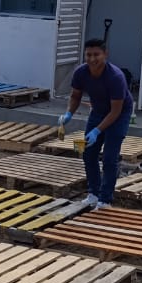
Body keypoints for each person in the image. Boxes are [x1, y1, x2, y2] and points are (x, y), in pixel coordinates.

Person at [58, 38, 134, 209]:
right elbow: (75, 96)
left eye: (96, 55)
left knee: (109, 157)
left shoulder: (115, 77)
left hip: (119, 115)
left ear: (105, 54)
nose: (92, 59)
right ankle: (93, 193)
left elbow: (115, 111)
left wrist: (97, 131)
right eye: (88, 55)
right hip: (98, 111)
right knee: (88, 153)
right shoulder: (80, 72)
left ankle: (105, 200)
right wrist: (68, 113)